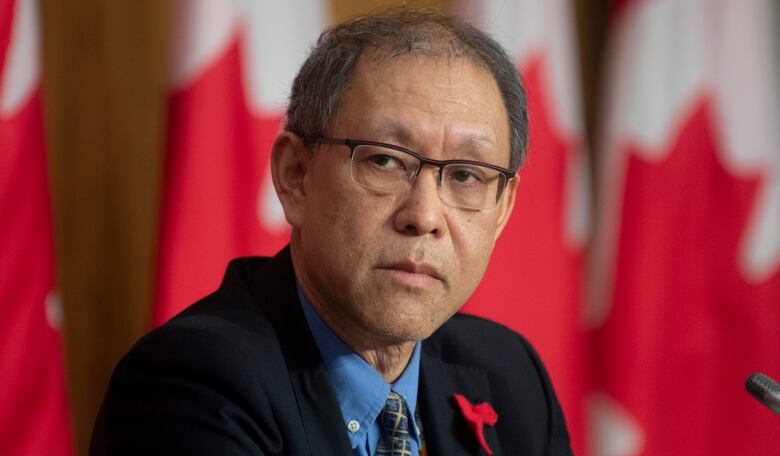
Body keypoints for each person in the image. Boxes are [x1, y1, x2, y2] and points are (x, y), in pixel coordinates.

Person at [90, 9, 572, 456]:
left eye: (466, 175)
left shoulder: (510, 375)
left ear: (503, 208)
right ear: (295, 175)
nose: (424, 216)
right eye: (384, 160)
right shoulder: (190, 385)